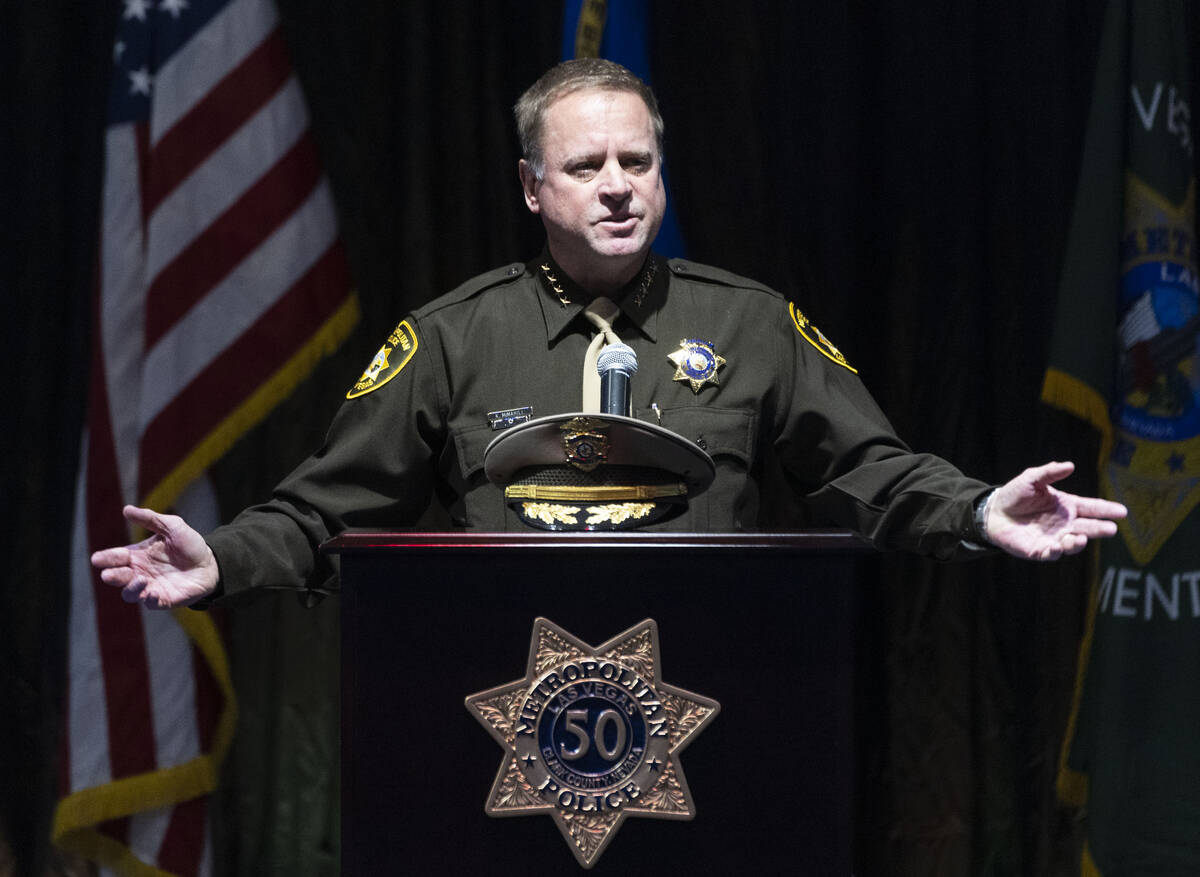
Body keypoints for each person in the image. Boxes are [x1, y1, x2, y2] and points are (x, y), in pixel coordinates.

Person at [92, 59, 1127, 609]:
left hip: (715, 692)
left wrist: (981, 506)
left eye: (638, 162)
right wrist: (222, 560)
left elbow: (878, 470)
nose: (620, 187)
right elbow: (321, 510)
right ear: (533, 188)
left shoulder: (751, 323)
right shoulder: (452, 337)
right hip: (498, 696)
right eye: (587, 168)